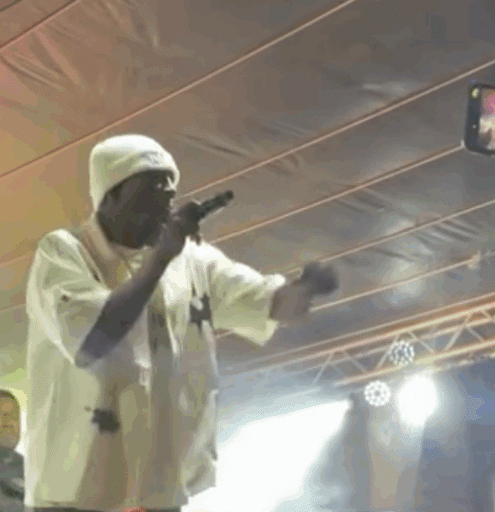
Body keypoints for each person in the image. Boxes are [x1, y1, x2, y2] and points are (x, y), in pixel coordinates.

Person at [23, 134, 338, 512]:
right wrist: (159, 260)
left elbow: (266, 301)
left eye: (169, 195)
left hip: (157, 490)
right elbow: (92, 340)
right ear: (110, 196)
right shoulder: (63, 251)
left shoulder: (192, 260)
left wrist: (302, 290)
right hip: (77, 494)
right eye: (150, 193)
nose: (164, 206)